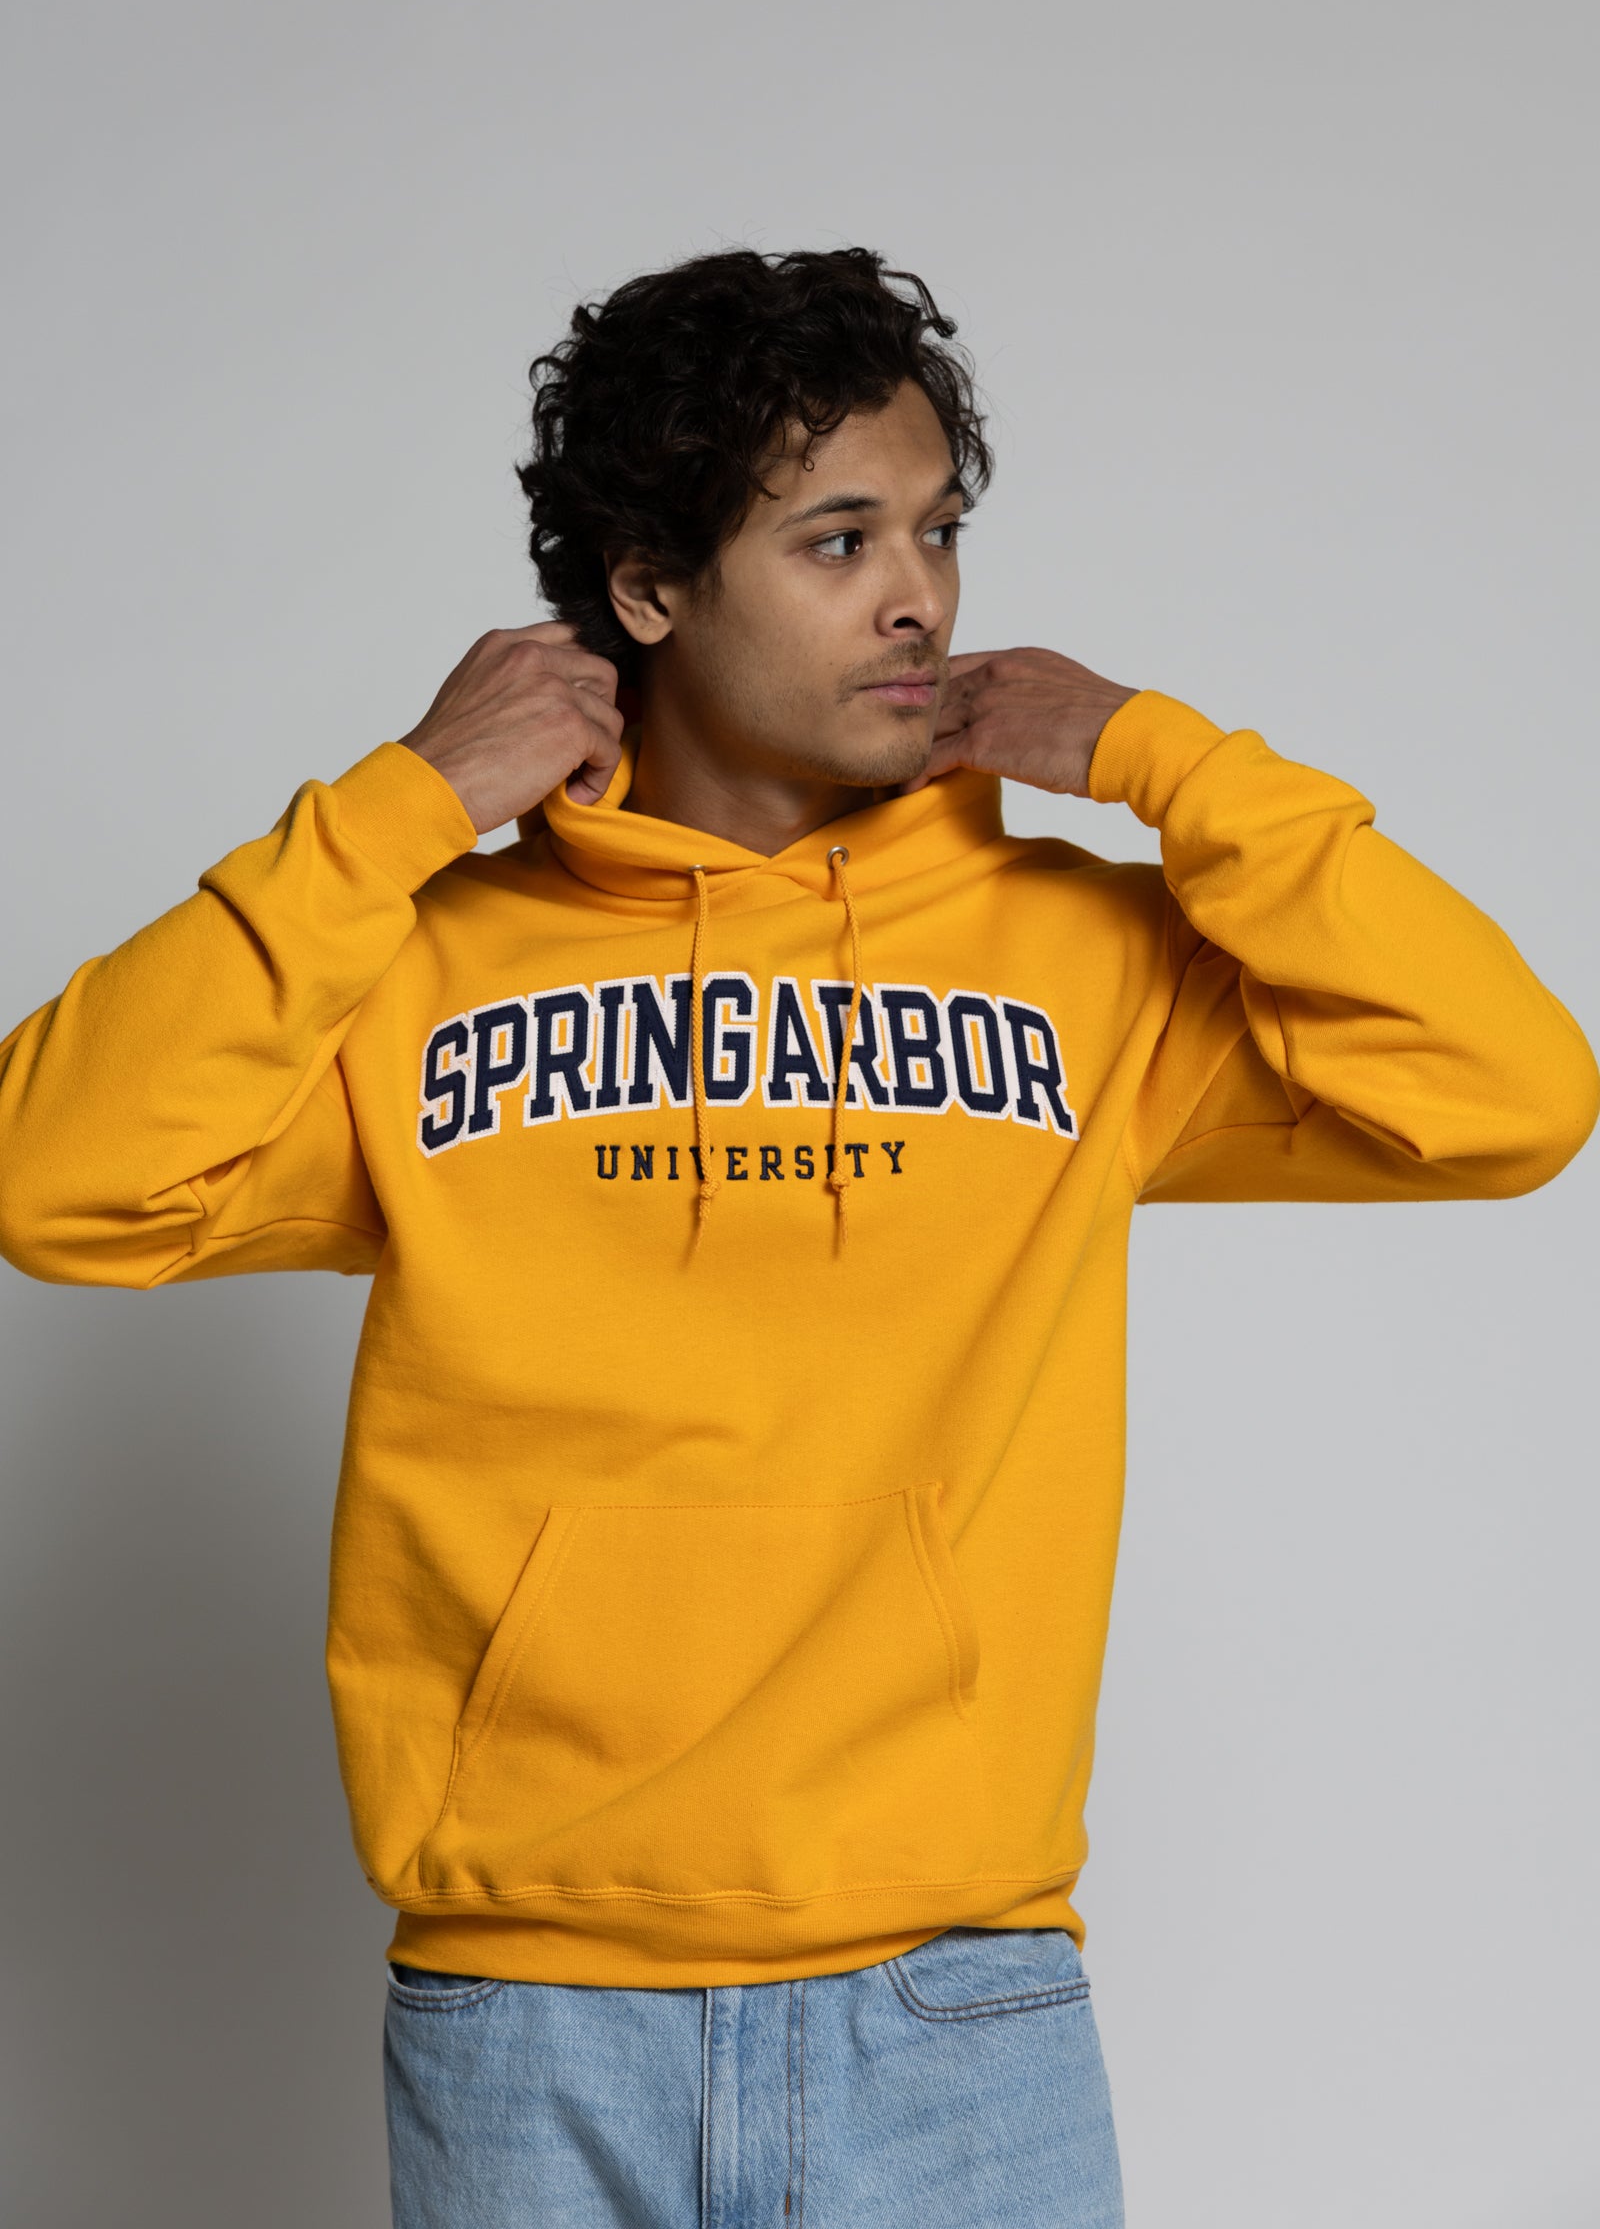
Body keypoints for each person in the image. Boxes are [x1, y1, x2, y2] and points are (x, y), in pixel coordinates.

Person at [1, 247, 1593, 2229]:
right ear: (647, 589)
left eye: (937, 531)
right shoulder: (418, 974)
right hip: (530, 2014)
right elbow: (54, 1178)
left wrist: (1164, 763)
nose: (916, 593)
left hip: (958, 2007)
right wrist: (398, 810)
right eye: (838, 541)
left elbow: (1510, 1092)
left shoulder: (1080, 967)